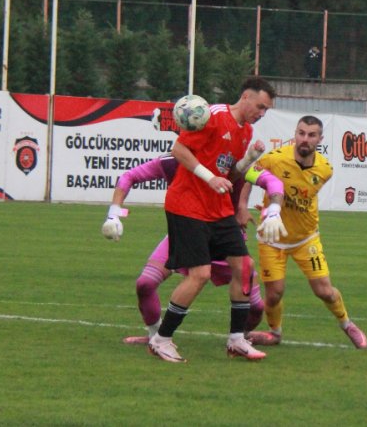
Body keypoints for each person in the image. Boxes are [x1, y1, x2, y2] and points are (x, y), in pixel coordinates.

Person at [145, 77, 277, 363]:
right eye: (260, 106)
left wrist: (249, 158)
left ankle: (237, 340)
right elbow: (179, 150)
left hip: (218, 209)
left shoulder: (246, 131)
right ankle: (161, 339)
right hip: (187, 206)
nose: (262, 113)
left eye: (266, 110)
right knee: (200, 274)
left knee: (244, 267)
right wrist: (209, 178)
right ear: (245, 97)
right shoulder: (212, 116)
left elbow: (230, 173)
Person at [102, 145, 285, 345]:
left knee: (256, 308)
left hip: (225, 239)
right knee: (145, 284)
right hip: (186, 233)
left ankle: (240, 338)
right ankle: (155, 336)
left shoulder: (231, 162)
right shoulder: (172, 161)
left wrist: (273, 210)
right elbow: (129, 176)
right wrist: (114, 213)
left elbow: (272, 181)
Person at [241, 115, 367, 350]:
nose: (305, 139)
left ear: (320, 139)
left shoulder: (325, 169)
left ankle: (347, 324)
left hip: (306, 238)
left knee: (325, 291)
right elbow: (248, 175)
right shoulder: (275, 159)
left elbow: (303, 194)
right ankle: (275, 333)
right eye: (301, 133)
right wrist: (242, 207)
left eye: (311, 135)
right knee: (274, 294)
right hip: (272, 237)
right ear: (295, 134)